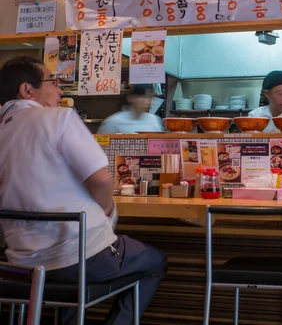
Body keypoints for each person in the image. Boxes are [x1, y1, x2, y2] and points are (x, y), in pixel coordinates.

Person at [0, 56, 167, 324]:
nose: (59, 90)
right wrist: (107, 208)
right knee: (155, 262)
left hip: (18, 264)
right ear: (26, 90)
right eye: (52, 82)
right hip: (78, 259)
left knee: (76, 262)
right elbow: (100, 181)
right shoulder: (59, 118)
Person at [98, 84, 164, 134]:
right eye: (143, 97)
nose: (147, 101)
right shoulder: (114, 121)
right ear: (131, 98)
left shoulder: (154, 120)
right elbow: (101, 144)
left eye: (150, 97)